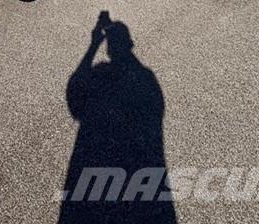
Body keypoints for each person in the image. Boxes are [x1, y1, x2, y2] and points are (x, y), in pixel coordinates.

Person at [59, 12, 176, 223]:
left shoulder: (141, 77)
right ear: (130, 43)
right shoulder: (147, 77)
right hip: (146, 170)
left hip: (91, 162)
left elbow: (75, 101)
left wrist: (93, 46)